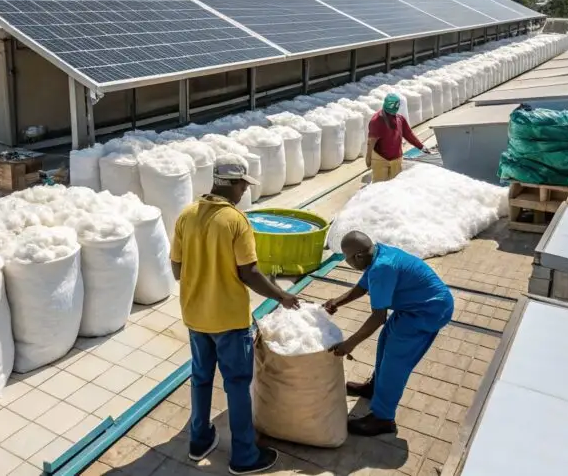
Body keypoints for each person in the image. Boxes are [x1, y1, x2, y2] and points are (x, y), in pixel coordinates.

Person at [171, 153, 301, 475]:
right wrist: (282, 295)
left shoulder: (187, 215)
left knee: (201, 379)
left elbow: (176, 269)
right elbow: (250, 273)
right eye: (244, 184)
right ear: (236, 184)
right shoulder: (235, 221)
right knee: (237, 385)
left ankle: (199, 441)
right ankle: (244, 456)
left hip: (195, 317)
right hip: (228, 320)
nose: (245, 191)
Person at [323, 231, 454, 436]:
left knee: (396, 360)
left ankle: (383, 419)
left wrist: (350, 343)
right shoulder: (376, 253)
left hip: (428, 311)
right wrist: (337, 301)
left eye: (346, 259)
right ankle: (375, 387)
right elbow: (363, 287)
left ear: (357, 256)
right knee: (386, 340)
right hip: (413, 307)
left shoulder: (382, 268)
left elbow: (378, 318)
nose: (346, 263)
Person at [366, 93, 432, 183]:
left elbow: (409, 135)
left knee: (396, 186)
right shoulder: (376, 121)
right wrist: (368, 157)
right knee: (379, 187)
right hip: (380, 158)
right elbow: (371, 141)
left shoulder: (400, 119)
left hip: (396, 158)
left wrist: (421, 146)